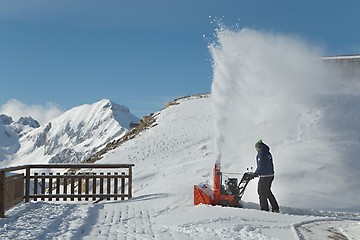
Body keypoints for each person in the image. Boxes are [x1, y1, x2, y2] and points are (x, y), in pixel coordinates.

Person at [252, 140, 280, 213]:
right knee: (267, 191)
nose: (256, 150)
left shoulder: (261, 154)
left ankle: (264, 210)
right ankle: (275, 208)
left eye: (256, 148)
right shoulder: (267, 152)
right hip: (270, 175)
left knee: (261, 192)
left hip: (265, 176)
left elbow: (261, 165)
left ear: (259, 147)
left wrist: (256, 173)